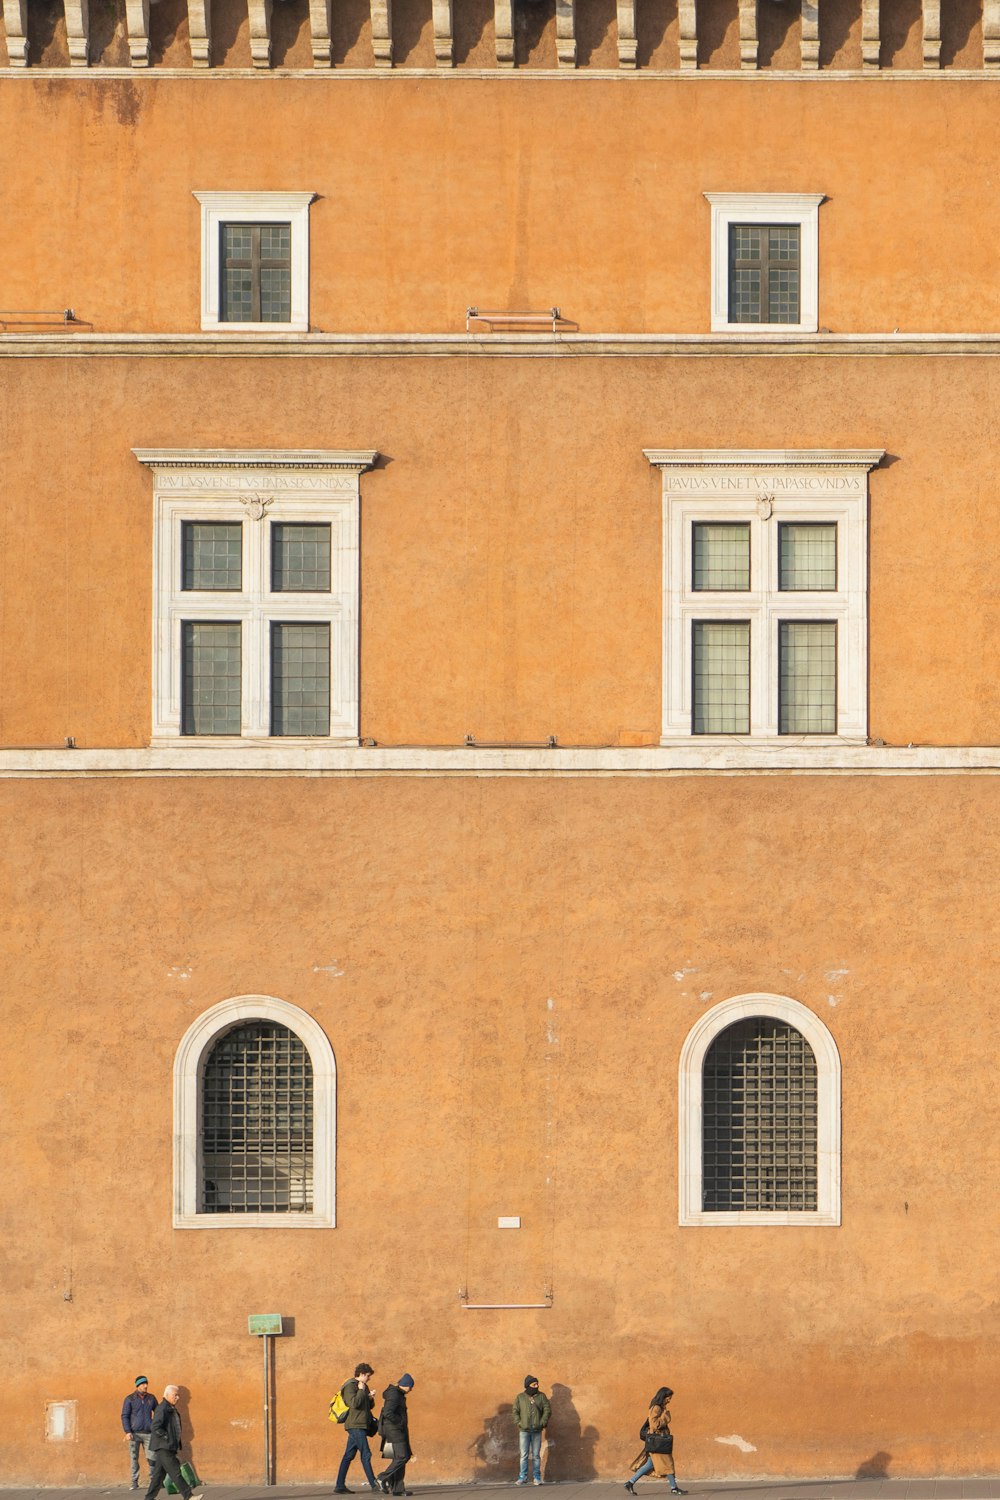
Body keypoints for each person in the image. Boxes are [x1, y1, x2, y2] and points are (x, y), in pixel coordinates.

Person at [624, 1386, 686, 1495]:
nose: (669, 1400)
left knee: (649, 1465)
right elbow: (654, 1424)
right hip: (658, 1441)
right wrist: (665, 1417)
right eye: (668, 1397)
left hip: (658, 1442)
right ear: (663, 1396)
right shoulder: (656, 1407)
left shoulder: (660, 1407)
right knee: (668, 1464)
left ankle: (630, 1483)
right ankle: (674, 1488)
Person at [144, 1385, 203, 1500]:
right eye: (175, 1395)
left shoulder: (170, 1408)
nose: (177, 1397)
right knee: (176, 1471)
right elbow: (155, 1427)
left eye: (178, 1395)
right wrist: (168, 1438)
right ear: (167, 1395)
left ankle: (149, 1498)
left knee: (158, 1476)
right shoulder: (162, 1408)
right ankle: (189, 1496)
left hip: (167, 1446)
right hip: (164, 1446)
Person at [335, 1363, 379, 1494]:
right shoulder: (350, 1386)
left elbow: (366, 1406)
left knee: (349, 1455)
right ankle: (374, 1484)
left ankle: (339, 1486)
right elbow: (353, 1403)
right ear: (361, 1374)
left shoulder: (363, 1386)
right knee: (366, 1453)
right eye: (368, 1376)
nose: (369, 1379)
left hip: (361, 1424)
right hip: (354, 1425)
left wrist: (370, 1397)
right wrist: (360, 1390)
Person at [376, 1374, 414, 1496]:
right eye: (411, 1387)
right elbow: (388, 1412)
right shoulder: (394, 1394)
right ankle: (382, 1477)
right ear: (406, 1385)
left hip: (397, 1430)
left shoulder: (398, 1394)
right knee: (403, 1457)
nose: (411, 1390)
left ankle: (398, 1489)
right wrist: (400, 1421)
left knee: (401, 1458)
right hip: (395, 1431)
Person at [512, 1375, 551, 1486]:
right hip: (524, 1430)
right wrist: (520, 1423)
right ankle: (522, 1477)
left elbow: (547, 1410)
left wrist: (542, 1423)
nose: (537, 1386)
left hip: (536, 1430)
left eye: (537, 1384)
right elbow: (515, 1411)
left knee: (536, 1455)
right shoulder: (520, 1397)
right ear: (528, 1385)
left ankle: (537, 1477)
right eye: (534, 1384)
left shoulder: (541, 1396)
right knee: (524, 1455)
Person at [121, 1377, 158, 1490]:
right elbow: (125, 1416)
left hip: (149, 1434)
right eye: (143, 1384)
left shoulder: (151, 1398)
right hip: (134, 1434)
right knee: (134, 1458)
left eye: (146, 1384)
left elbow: (158, 1412)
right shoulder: (130, 1399)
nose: (145, 1386)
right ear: (137, 1385)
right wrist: (127, 1432)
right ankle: (134, 1482)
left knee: (152, 1457)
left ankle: (153, 1481)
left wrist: (156, 1427)